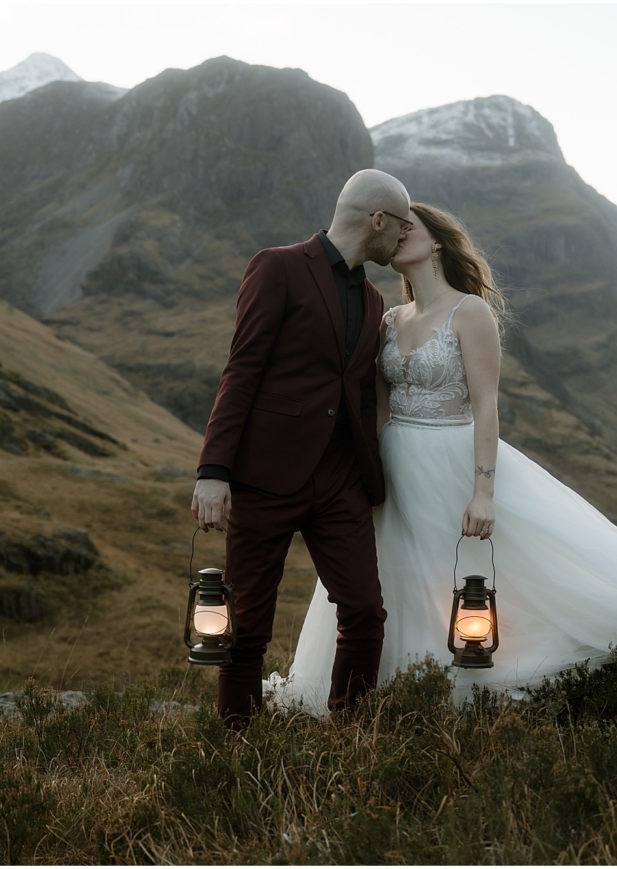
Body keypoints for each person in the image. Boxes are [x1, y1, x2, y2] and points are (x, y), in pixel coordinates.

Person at [267, 203, 617, 710]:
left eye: (409, 226)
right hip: (397, 468)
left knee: (511, 575)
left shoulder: (470, 313)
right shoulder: (391, 319)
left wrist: (483, 491)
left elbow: (488, 408)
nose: (396, 235)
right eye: (392, 228)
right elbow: (379, 410)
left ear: (437, 241)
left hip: (453, 461)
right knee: (399, 578)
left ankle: (478, 674)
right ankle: (396, 689)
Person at [192, 169, 413, 728]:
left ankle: (350, 733)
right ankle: (238, 744)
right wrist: (214, 469)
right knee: (248, 624)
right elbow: (241, 370)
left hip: (340, 481)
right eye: (401, 226)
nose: (404, 239)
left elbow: (360, 391)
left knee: (364, 611)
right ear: (378, 220)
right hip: (265, 475)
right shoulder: (279, 266)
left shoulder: (373, 296)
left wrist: (374, 476)